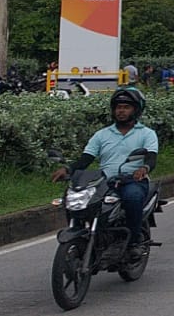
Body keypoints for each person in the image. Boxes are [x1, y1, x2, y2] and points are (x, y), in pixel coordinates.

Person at [50, 87, 158, 251]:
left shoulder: (147, 134)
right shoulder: (102, 135)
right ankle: (87, 237)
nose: (121, 111)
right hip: (104, 182)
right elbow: (86, 159)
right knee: (78, 201)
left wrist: (144, 168)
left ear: (136, 110)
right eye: (118, 107)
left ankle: (133, 242)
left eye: (126, 107)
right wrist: (68, 169)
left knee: (132, 198)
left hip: (132, 181)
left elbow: (151, 157)